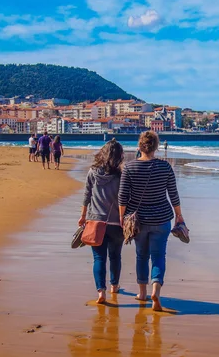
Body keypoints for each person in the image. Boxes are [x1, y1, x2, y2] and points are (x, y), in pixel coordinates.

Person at [118, 131, 184, 311]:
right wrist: (179, 215)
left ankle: (142, 292)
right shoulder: (166, 167)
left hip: (138, 220)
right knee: (158, 256)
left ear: (139, 147)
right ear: (156, 147)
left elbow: (122, 198)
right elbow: (173, 194)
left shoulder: (130, 168)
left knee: (141, 255)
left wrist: (121, 218)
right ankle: (156, 290)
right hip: (162, 219)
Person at [79, 139, 125, 304]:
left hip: (96, 221)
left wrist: (83, 216)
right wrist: (123, 218)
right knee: (115, 256)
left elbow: (87, 195)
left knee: (99, 259)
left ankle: (101, 292)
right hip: (116, 223)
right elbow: (123, 199)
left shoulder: (93, 172)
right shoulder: (121, 175)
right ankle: (115, 285)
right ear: (119, 156)